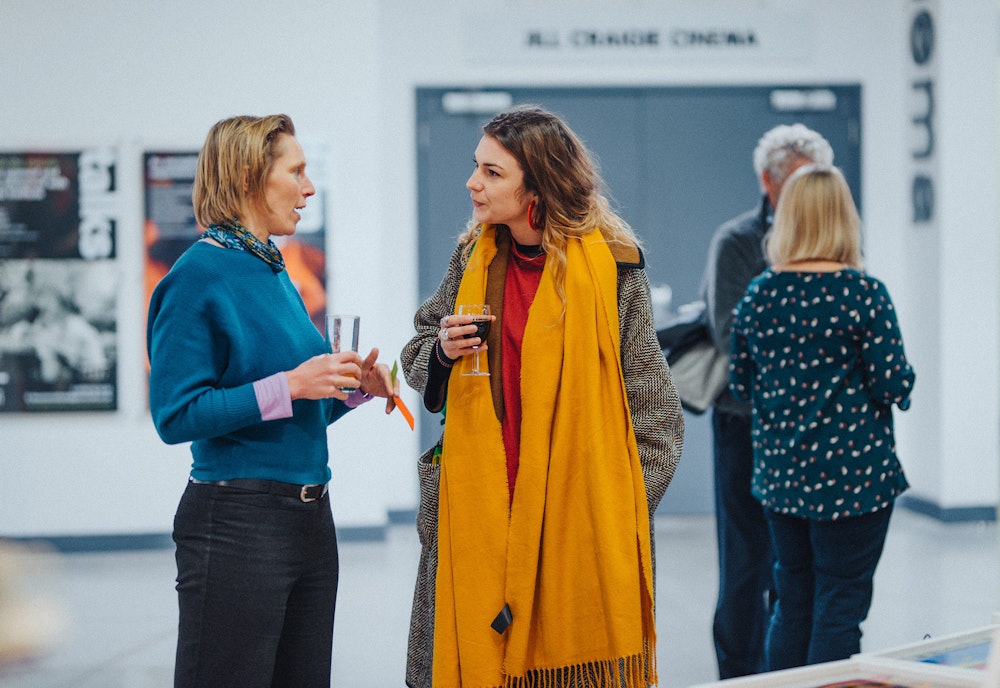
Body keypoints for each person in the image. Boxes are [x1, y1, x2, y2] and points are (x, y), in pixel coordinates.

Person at [400, 104, 685, 688]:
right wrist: (442, 351)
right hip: (480, 515)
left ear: (539, 185)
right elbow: (416, 353)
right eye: (476, 166)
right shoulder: (473, 257)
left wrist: (611, 507)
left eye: (492, 172)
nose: (472, 183)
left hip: (580, 527)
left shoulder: (615, 266)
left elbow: (656, 411)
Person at [146, 114, 398, 688]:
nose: (309, 189)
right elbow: (176, 415)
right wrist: (291, 384)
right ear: (247, 177)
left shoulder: (272, 268)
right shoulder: (197, 275)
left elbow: (298, 408)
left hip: (310, 519)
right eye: (297, 172)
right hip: (237, 522)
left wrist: (356, 389)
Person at [729, 163, 915, 670]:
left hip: (783, 480)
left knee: (792, 602)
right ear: (843, 218)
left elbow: (740, 384)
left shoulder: (759, 295)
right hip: (854, 481)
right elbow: (893, 384)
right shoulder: (864, 294)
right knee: (840, 606)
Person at [699, 123, 834, 679]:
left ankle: (793, 673)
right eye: (798, 181)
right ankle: (739, 676)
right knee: (746, 563)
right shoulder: (737, 242)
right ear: (768, 182)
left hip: (814, 430)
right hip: (746, 424)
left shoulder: (836, 245)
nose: (810, 194)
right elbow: (731, 337)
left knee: (802, 567)